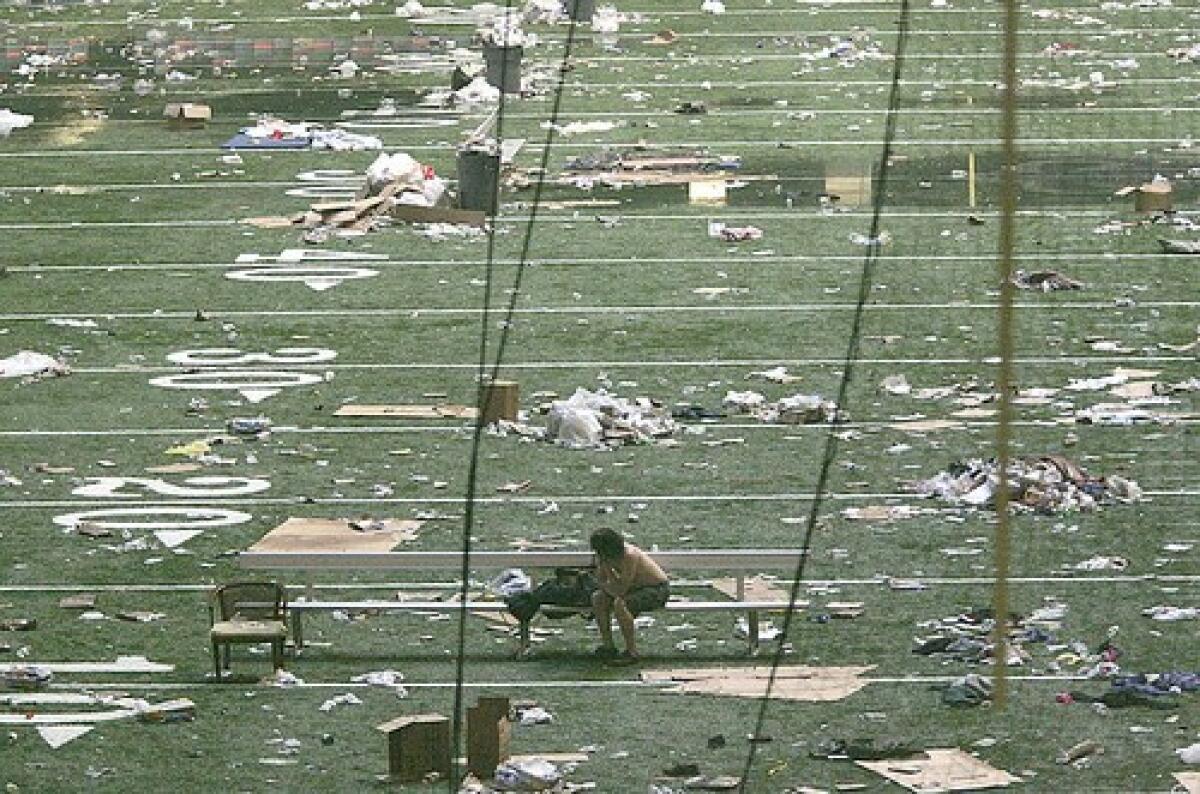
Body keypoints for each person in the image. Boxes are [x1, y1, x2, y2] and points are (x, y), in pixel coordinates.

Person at [589, 529, 669, 664]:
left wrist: (607, 574)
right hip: (634, 589)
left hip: (656, 590)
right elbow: (602, 581)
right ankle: (609, 646)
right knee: (598, 598)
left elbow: (621, 588)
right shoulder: (605, 558)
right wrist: (605, 570)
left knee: (620, 604)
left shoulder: (629, 555)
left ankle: (631, 651)